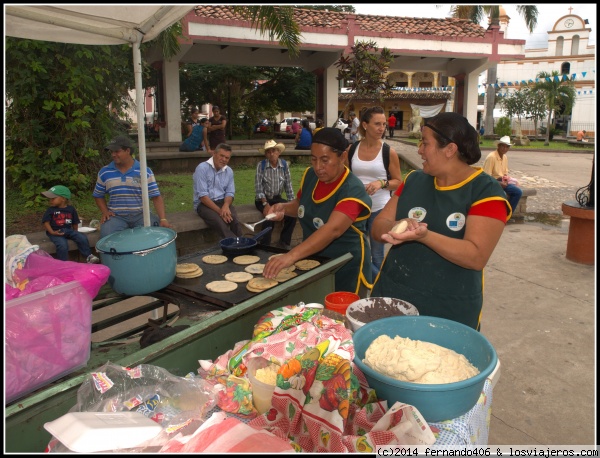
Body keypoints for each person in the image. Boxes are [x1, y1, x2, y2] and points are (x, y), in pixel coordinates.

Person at [371, 112, 510, 330]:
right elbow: (378, 226)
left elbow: (476, 256)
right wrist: (397, 227)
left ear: (450, 149)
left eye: (425, 143)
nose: (419, 150)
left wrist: (424, 236)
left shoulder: (484, 191)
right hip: (393, 295)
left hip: (447, 308)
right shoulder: (415, 180)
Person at [263, 127, 372, 296]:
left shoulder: (352, 189)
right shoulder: (310, 176)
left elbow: (332, 230)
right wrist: (283, 208)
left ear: (342, 157)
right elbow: (301, 204)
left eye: (325, 160)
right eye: (313, 160)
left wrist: (291, 256)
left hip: (346, 267)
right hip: (315, 261)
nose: (318, 167)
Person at [345, 106, 403, 278]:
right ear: (364, 125)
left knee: (377, 254)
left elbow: (399, 183)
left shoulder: (388, 152)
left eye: (384, 124)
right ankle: (374, 285)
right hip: (357, 208)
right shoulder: (352, 149)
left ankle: (379, 290)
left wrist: (381, 183)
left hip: (380, 209)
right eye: (377, 124)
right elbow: (346, 177)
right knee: (358, 251)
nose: (382, 128)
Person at [93, 135, 170, 239]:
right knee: (107, 236)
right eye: (111, 152)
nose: (113, 155)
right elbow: (98, 195)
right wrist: (105, 211)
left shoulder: (144, 170)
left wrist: (163, 219)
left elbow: (156, 197)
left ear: (127, 151)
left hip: (142, 215)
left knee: (154, 236)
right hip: (116, 217)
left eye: (117, 151)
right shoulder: (105, 172)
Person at [193, 143, 244, 238]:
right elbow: (203, 197)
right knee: (220, 222)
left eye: (227, 158)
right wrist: (220, 211)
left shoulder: (229, 171)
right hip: (204, 204)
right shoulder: (202, 168)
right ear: (214, 154)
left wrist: (225, 205)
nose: (224, 159)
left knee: (235, 220)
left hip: (222, 202)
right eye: (221, 156)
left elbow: (230, 192)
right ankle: (234, 246)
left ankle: (242, 244)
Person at [254, 140, 297, 249]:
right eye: (268, 151)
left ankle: (284, 243)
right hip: (263, 199)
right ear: (266, 154)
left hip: (277, 198)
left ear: (279, 152)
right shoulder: (261, 165)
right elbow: (258, 187)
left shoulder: (284, 165)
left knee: (292, 214)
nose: (271, 153)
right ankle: (265, 245)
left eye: (274, 150)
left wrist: (292, 203)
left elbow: (288, 185)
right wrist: (265, 204)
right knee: (269, 217)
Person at [41, 185, 100, 263]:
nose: (50, 201)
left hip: (68, 230)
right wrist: (52, 232)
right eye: (50, 199)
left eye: (53, 198)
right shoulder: (50, 210)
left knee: (82, 238)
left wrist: (75, 232)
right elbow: (46, 222)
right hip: (56, 232)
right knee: (62, 245)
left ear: (63, 199)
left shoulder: (71, 209)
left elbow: (75, 222)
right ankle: (62, 263)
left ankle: (88, 256)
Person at [483, 135, 523, 216]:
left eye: (507, 147)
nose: (505, 149)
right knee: (503, 195)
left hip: (502, 181)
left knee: (518, 192)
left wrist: (505, 179)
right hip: (492, 182)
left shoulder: (504, 157)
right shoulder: (491, 157)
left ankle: (508, 214)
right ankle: (499, 215)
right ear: (498, 146)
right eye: (503, 146)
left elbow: (505, 173)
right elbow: (486, 177)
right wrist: (499, 184)